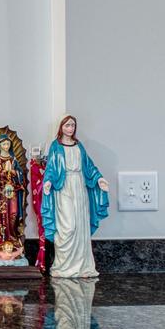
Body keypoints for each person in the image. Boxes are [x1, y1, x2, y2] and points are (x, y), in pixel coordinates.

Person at [42, 114, 110, 278]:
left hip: (79, 186)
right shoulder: (56, 146)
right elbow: (51, 167)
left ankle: (82, 266)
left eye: (72, 125)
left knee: (80, 225)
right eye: (67, 125)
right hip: (63, 187)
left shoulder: (79, 146)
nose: (70, 128)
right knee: (68, 226)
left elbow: (89, 166)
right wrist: (48, 181)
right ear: (61, 127)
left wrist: (99, 178)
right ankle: (63, 265)